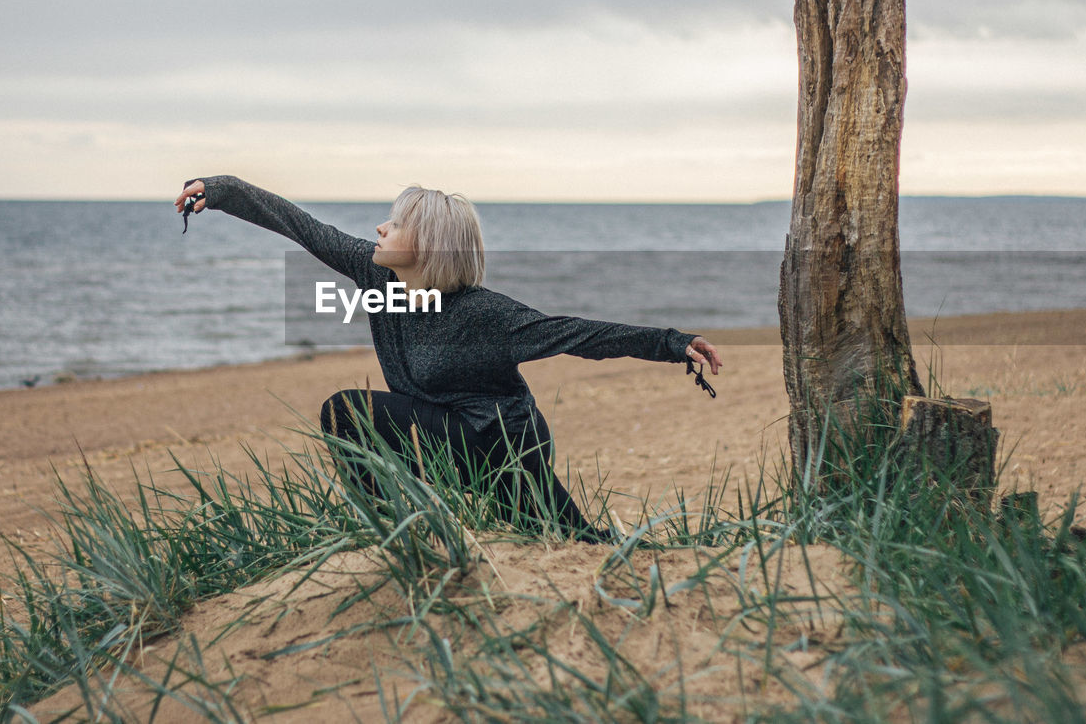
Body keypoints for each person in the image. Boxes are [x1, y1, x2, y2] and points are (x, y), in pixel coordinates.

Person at [175, 175, 723, 543]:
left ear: (430, 241)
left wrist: (673, 344)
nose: (379, 229)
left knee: (573, 541)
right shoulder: (378, 278)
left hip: (505, 443)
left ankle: (398, 530)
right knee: (350, 415)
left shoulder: (484, 313)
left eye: (395, 223)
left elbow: (578, 335)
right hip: (448, 437)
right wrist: (219, 190)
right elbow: (301, 225)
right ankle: (393, 531)